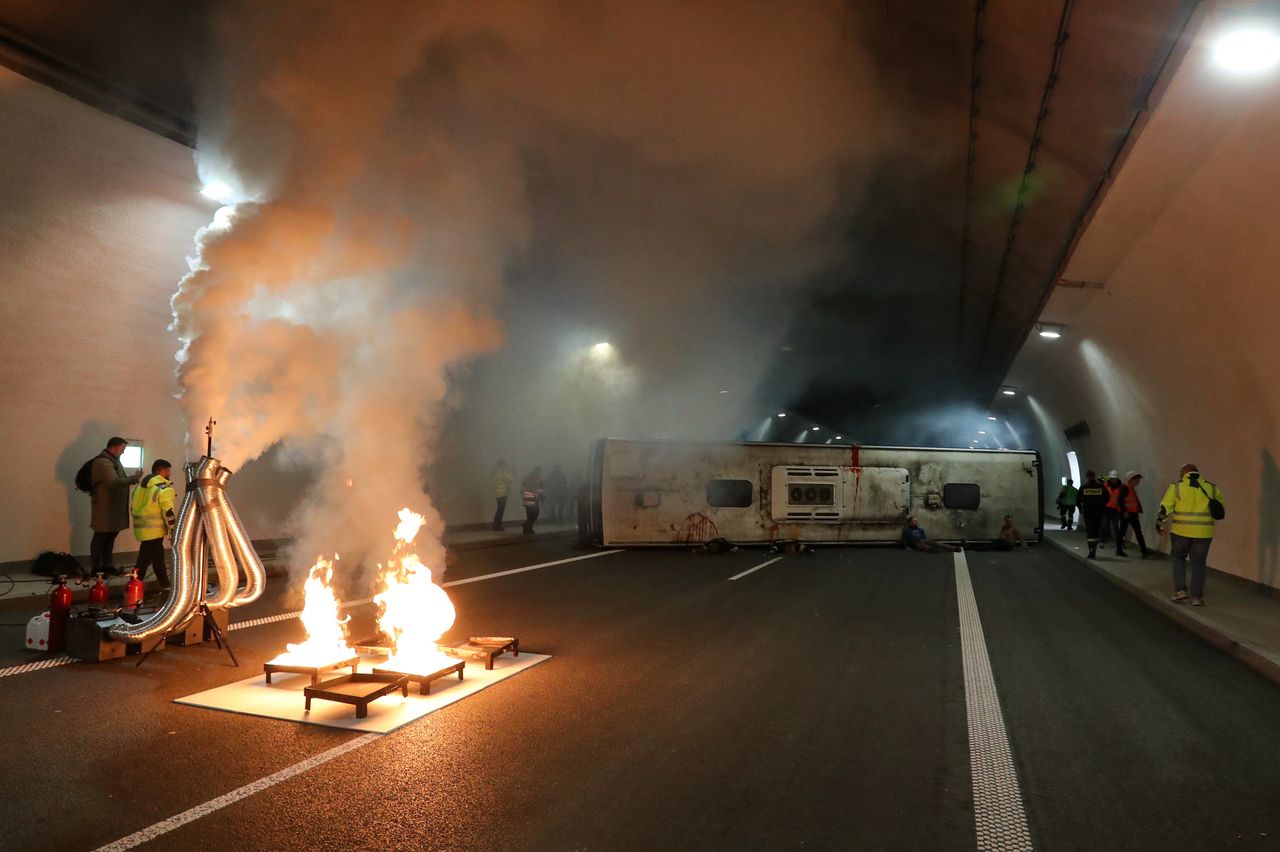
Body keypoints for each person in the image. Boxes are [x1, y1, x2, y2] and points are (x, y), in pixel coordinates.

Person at [1156, 463, 1224, 607]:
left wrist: (1159, 524)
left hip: (1181, 532)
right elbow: (1220, 508)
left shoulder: (1176, 487)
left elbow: (1165, 508)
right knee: (1199, 563)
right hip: (1204, 533)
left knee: (1178, 558)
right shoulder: (1212, 488)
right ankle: (1196, 598)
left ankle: (1180, 591)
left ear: (1183, 473)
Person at [89, 437, 142, 576]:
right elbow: (113, 482)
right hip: (104, 508)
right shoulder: (103, 462)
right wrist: (134, 478)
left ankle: (107, 566)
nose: (123, 452)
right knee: (101, 537)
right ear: (114, 447)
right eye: (122, 449)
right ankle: (96, 568)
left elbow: (116, 480)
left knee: (110, 537)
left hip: (112, 508)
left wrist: (131, 478)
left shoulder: (113, 461)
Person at [131, 459, 176, 590]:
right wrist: (174, 530)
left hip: (142, 529)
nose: (169, 473)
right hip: (154, 530)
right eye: (168, 470)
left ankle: (165, 584)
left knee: (158, 557)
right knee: (143, 560)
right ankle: (133, 585)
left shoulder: (140, 488)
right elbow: (168, 512)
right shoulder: (163, 490)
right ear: (162, 471)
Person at [1120, 470, 1155, 558]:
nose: (1138, 481)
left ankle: (1144, 551)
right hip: (1127, 514)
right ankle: (1119, 550)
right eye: (1137, 479)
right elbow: (1120, 501)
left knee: (1138, 532)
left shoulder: (1131, 488)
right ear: (1131, 479)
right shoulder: (1125, 488)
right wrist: (1125, 511)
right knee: (1122, 532)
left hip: (1132, 513)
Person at [1078, 470, 1107, 560]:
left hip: (1088, 512)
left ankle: (1091, 552)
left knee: (1090, 531)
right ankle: (1094, 550)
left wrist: (1081, 510)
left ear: (1087, 477)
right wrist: (1102, 506)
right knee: (1096, 531)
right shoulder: (1101, 487)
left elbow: (1078, 500)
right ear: (1094, 476)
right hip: (1098, 512)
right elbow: (1107, 497)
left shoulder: (1083, 487)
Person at [1102, 470, 1129, 556]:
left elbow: (1122, 498)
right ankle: (1103, 540)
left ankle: (1118, 544)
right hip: (1107, 508)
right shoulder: (1105, 485)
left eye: (1115, 478)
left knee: (1115, 527)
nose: (1114, 480)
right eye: (1112, 478)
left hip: (1115, 509)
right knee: (1105, 525)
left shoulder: (1120, 487)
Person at [521, 466, 545, 535]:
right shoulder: (537, 478)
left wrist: (524, 494)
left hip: (530, 497)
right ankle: (528, 528)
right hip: (532, 497)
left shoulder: (529, 477)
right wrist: (542, 497)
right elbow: (540, 489)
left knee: (532, 515)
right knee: (533, 514)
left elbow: (522, 487)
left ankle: (527, 527)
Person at [491, 459, 514, 531]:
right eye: (504, 464)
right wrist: (513, 473)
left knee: (499, 509)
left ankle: (496, 525)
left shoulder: (494, 472)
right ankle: (498, 525)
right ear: (502, 464)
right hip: (502, 493)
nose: (505, 466)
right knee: (501, 510)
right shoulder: (501, 472)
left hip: (497, 493)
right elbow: (509, 479)